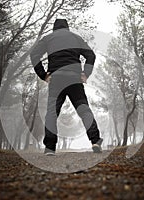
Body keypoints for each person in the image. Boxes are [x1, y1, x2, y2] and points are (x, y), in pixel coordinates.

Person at [30, 19, 103, 156]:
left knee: (52, 113)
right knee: (84, 110)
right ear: (67, 27)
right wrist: (85, 73)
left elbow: (34, 55)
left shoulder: (48, 39)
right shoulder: (76, 38)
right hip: (74, 79)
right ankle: (95, 140)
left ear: (54, 28)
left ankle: (50, 148)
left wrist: (43, 75)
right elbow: (90, 55)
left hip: (56, 79)